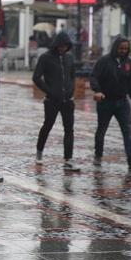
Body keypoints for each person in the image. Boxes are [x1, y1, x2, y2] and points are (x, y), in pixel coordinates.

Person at [89, 35, 131, 171]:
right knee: (101, 130)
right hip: (105, 101)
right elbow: (93, 76)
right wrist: (97, 90)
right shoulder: (104, 61)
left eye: (126, 48)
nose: (123, 51)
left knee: (127, 131)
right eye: (121, 48)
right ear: (116, 47)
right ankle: (98, 155)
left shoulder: (130, 63)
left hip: (122, 102)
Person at [32, 32, 79, 171]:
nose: (62, 49)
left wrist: (71, 88)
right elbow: (36, 77)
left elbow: (72, 75)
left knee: (69, 129)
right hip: (52, 100)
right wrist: (49, 91)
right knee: (47, 125)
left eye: (65, 46)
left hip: (68, 100)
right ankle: (39, 152)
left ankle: (68, 159)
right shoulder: (46, 58)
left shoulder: (69, 58)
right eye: (60, 46)